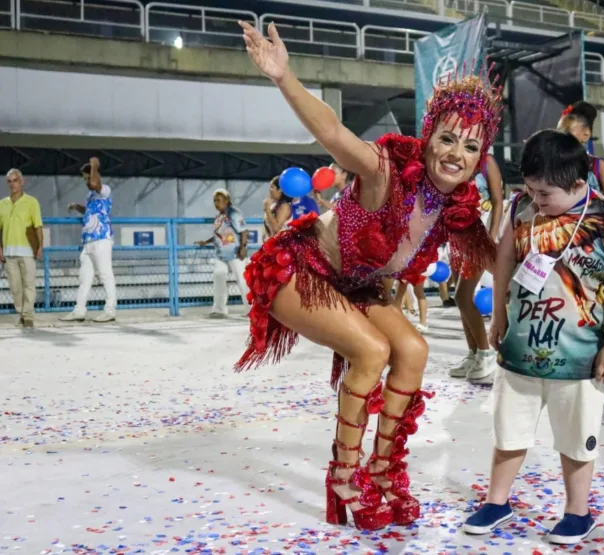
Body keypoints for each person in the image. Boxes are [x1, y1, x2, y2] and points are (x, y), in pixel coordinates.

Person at [236, 21, 497, 530]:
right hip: (300, 270)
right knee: (372, 351)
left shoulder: (455, 208)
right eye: (446, 139)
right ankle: (344, 476)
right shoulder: (385, 171)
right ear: (426, 140)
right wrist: (284, 77)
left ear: (479, 159)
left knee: (415, 350)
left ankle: (384, 471)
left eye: (470, 148)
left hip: (357, 283)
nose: (455, 155)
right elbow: (333, 133)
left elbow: (489, 257)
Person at [463, 130, 604, 544]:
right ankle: (497, 500)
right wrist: (499, 313)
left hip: (579, 358)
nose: (537, 200)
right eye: (532, 189)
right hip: (521, 347)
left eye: (545, 193)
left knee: (576, 438)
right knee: (509, 430)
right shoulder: (522, 209)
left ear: (578, 184)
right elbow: (504, 260)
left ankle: (578, 511)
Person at [449, 153, 504, 383]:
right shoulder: (451, 160)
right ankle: (474, 354)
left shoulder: (487, 162)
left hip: (479, 236)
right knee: (460, 296)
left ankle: (486, 352)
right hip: (457, 235)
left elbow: (498, 201)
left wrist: (490, 238)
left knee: (463, 296)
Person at [60, 157, 117, 323]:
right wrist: (77, 207)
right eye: (84, 179)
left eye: (88, 177)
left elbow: (94, 183)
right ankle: (79, 310)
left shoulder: (104, 189)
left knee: (105, 274)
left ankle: (110, 310)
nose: (86, 182)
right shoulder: (91, 195)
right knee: (84, 277)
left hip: (102, 238)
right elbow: (90, 210)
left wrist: (94, 165)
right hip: (89, 241)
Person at [195, 189, 250, 318]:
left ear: (226, 200)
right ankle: (219, 309)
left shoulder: (234, 213)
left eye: (218, 200)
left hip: (235, 252)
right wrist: (206, 242)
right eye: (214, 200)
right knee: (218, 276)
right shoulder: (219, 217)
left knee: (243, 280)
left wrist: (243, 247)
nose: (216, 203)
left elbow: (244, 231)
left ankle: (251, 309)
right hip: (221, 254)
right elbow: (219, 235)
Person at [0, 169, 43, 328]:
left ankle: (28, 316)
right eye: (9, 181)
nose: (12, 184)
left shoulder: (32, 202)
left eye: (15, 180)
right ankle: (21, 313)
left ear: (22, 182)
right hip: (9, 252)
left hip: (27, 251)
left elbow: (38, 225)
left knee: (29, 284)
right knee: (15, 287)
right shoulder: (2, 204)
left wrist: (40, 246)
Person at [556, 102, 604, 203]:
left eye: (567, 133)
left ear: (586, 135)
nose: (561, 138)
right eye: (558, 133)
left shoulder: (597, 164)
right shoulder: (552, 164)